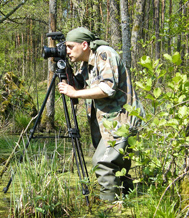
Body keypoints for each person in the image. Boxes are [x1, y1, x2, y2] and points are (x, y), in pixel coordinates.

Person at [58, 27, 143, 202]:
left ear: (84, 44)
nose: (67, 51)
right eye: (65, 47)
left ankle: (109, 211)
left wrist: (74, 93)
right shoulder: (86, 63)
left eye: (70, 47)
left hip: (122, 118)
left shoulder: (104, 54)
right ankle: (128, 205)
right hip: (108, 120)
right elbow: (80, 85)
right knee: (120, 167)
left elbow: (107, 88)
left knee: (102, 162)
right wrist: (65, 71)